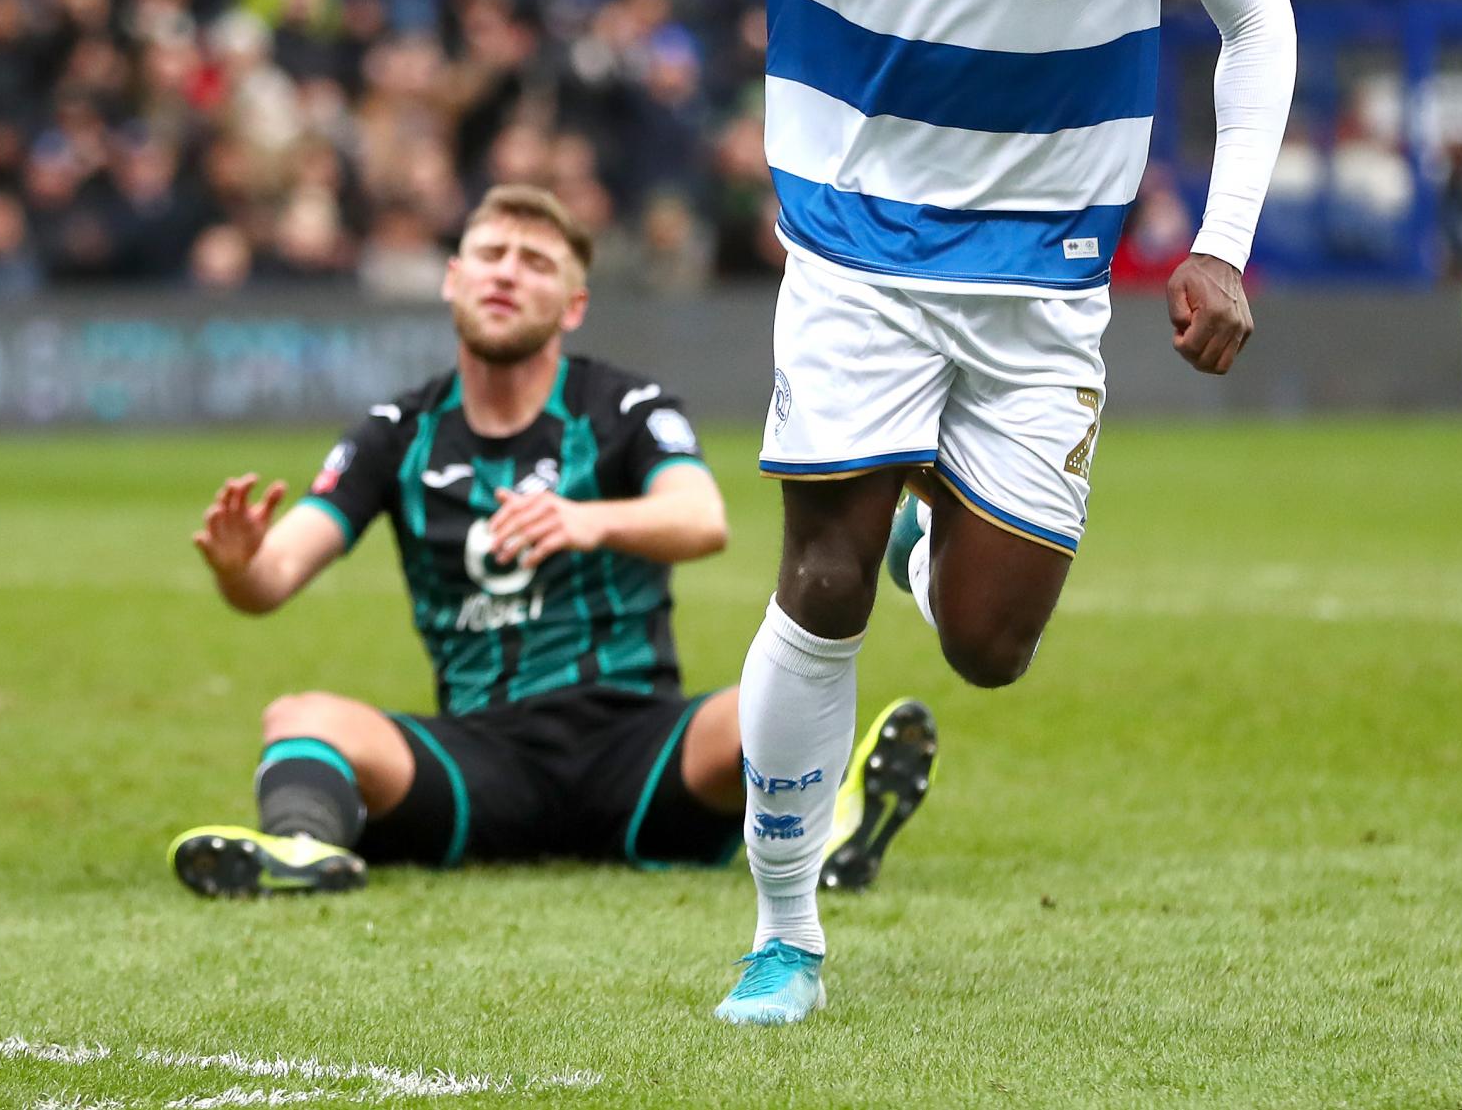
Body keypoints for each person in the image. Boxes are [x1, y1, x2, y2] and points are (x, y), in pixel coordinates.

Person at [257, 0, 1295, 1024]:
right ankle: (787, 931)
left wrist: (1222, 240)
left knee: (994, 646)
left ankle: (919, 538)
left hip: (1043, 286)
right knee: (815, 584)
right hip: (856, 261)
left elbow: (1258, 23)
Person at [168, 185, 939, 901]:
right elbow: (273, 578)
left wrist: (586, 520)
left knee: (767, 704)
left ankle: (831, 830)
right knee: (300, 717)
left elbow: (701, 518)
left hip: (638, 746)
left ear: (573, 306)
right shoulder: (395, 433)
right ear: (451, 278)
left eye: (535, 263)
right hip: (478, 759)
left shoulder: (625, 405)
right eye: (490, 255)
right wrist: (239, 566)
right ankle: (303, 851)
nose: (507, 275)